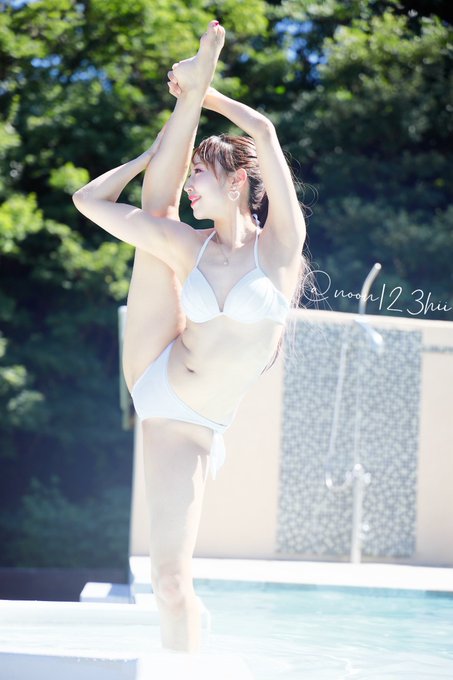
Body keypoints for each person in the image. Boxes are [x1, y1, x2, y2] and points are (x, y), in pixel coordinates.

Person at [72, 20, 307, 653]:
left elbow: (265, 133)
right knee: (158, 210)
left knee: (173, 584)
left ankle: (189, 658)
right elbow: (89, 202)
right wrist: (150, 159)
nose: (191, 183)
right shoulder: (189, 246)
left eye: (199, 173)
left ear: (236, 182)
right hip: (159, 375)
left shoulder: (279, 248)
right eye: (190, 172)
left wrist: (208, 93)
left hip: (193, 423)